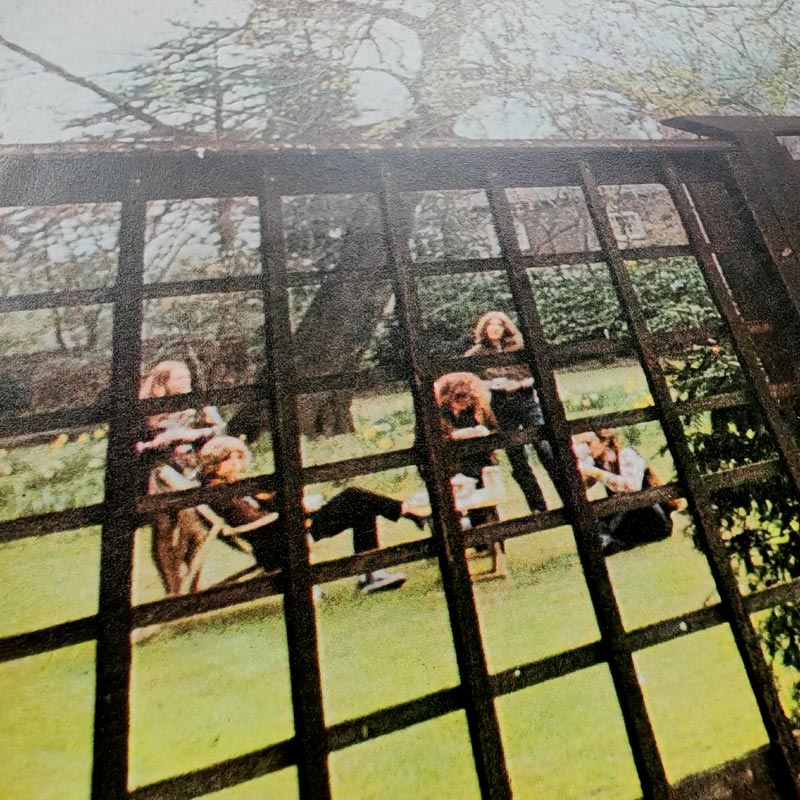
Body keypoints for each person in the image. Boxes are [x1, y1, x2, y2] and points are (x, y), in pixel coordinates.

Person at [179, 436, 424, 593]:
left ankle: (373, 572)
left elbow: (264, 508)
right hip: (281, 540)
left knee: (360, 505)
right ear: (217, 462)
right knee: (354, 496)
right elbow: (253, 522)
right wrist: (295, 510)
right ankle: (406, 515)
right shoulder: (219, 492)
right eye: (233, 460)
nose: (238, 465)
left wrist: (290, 501)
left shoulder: (229, 486)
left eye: (238, 460)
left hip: (285, 529)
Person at [136, 359, 226, 595]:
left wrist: (204, 427)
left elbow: (219, 433)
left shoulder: (194, 405)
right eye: (178, 377)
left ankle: (193, 586)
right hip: (158, 478)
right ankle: (174, 589)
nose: (186, 380)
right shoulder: (148, 410)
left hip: (186, 476)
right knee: (164, 528)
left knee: (196, 533)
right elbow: (147, 445)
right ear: (163, 382)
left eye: (187, 376)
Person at [463, 311, 554, 512]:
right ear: (484, 328)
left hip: (526, 400)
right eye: (491, 324)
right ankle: (538, 507)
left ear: (505, 328)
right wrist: (491, 384)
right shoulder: (477, 353)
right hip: (501, 405)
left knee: (546, 448)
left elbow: (539, 373)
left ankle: (568, 496)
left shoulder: (519, 346)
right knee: (517, 457)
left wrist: (520, 384)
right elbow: (468, 380)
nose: (495, 328)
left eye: (499, 324)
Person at [573, 429, 675, 555]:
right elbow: (583, 486)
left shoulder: (626, 454)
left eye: (589, 443)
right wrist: (579, 467)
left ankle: (611, 540)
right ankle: (608, 542)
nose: (587, 449)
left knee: (612, 518)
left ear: (604, 442)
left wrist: (595, 472)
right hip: (630, 514)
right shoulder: (600, 463)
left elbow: (632, 487)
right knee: (594, 524)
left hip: (653, 515)